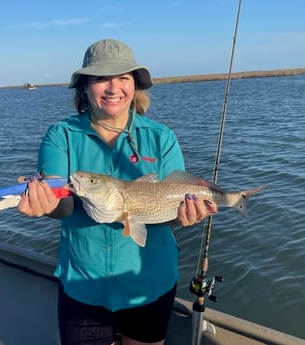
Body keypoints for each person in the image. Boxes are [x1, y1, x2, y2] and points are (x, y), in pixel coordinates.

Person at [18, 39, 217, 345]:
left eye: (123, 78)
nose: (113, 88)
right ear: (84, 87)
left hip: (148, 283)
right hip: (84, 286)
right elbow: (63, 204)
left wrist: (186, 216)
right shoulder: (61, 136)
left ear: (135, 85)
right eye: (101, 79)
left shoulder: (162, 138)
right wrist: (45, 204)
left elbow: (169, 213)